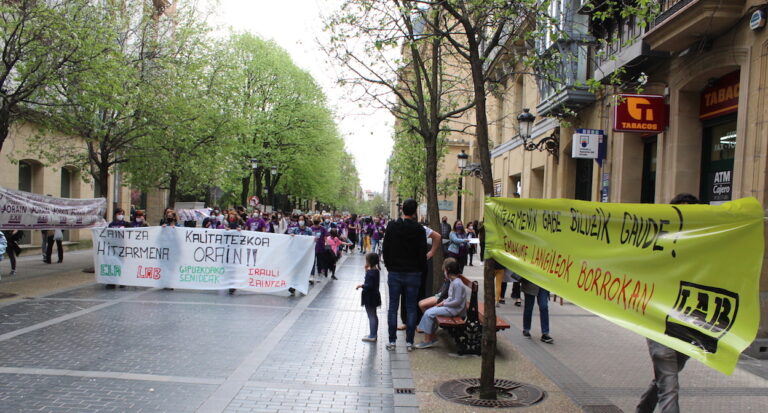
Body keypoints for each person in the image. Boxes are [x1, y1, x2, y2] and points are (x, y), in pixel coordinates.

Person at [636, 193, 698, 413]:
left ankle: (642, 409)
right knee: (669, 384)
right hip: (658, 321)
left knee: (665, 377)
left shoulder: (704, 248)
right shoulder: (656, 243)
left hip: (688, 323)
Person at [382, 198, 427, 352]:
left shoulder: (392, 226)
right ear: (415, 212)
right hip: (413, 273)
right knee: (411, 307)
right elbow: (422, 252)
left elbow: (385, 247)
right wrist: (420, 268)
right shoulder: (419, 230)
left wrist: (389, 265)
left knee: (393, 307)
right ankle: (409, 342)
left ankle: (392, 341)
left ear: (402, 209)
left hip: (395, 272)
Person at [414, 258, 467, 349]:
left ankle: (428, 340)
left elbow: (457, 301)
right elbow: (451, 297)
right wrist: (443, 302)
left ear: (448, 270)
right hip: (451, 308)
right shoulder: (453, 281)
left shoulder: (457, 283)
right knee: (429, 312)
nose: (444, 272)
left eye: (444, 270)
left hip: (455, 310)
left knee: (428, 313)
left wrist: (444, 304)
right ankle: (431, 336)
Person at [357, 252, 382, 342]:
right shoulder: (375, 271)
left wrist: (361, 286)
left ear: (369, 261)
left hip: (370, 297)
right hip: (374, 296)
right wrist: (366, 270)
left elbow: (369, 285)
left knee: (371, 316)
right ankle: (373, 333)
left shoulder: (371, 273)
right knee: (373, 315)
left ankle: (372, 335)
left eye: (366, 260)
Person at [521, 277, 553, 343]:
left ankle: (545, 333)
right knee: (529, 307)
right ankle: (526, 328)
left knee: (544, 307)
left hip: (543, 283)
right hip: (530, 282)